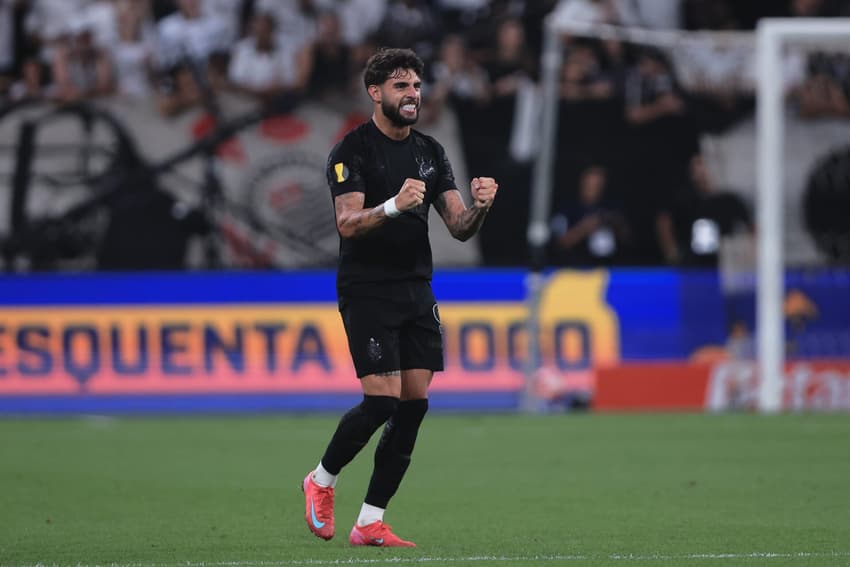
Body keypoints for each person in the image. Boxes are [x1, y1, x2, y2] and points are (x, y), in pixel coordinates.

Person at [302, 47, 498, 548]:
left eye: (416, 85)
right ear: (375, 92)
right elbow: (347, 223)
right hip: (367, 289)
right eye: (401, 86)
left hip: (416, 289)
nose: (412, 95)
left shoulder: (430, 152)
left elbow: (458, 227)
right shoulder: (352, 151)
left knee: (413, 406)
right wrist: (391, 205)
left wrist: (479, 206)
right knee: (381, 400)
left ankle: (369, 521)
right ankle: (321, 480)